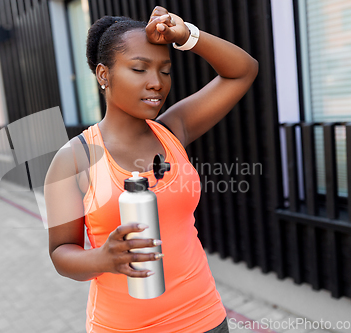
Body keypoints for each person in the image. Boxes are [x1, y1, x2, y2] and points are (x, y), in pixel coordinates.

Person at [45, 5, 258, 333]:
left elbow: (243, 70)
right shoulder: (74, 159)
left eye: (165, 70)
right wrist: (103, 259)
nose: (156, 83)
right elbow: (61, 253)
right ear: (104, 75)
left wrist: (187, 35)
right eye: (139, 69)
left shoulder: (174, 129)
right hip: (124, 326)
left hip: (204, 318)